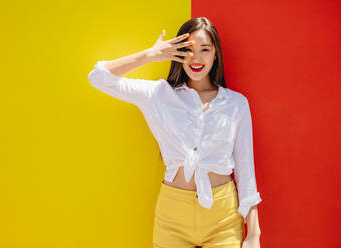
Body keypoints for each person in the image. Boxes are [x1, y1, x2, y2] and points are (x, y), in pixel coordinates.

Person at [87, 17, 262, 248]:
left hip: (223, 216)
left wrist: (254, 235)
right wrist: (151, 55)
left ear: (215, 54)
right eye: (188, 50)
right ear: (177, 52)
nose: (196, 58)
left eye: (205, 50)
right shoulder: (158, 94)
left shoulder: (236, 104)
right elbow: (99, 77)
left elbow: (246, 172)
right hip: (173, 214)